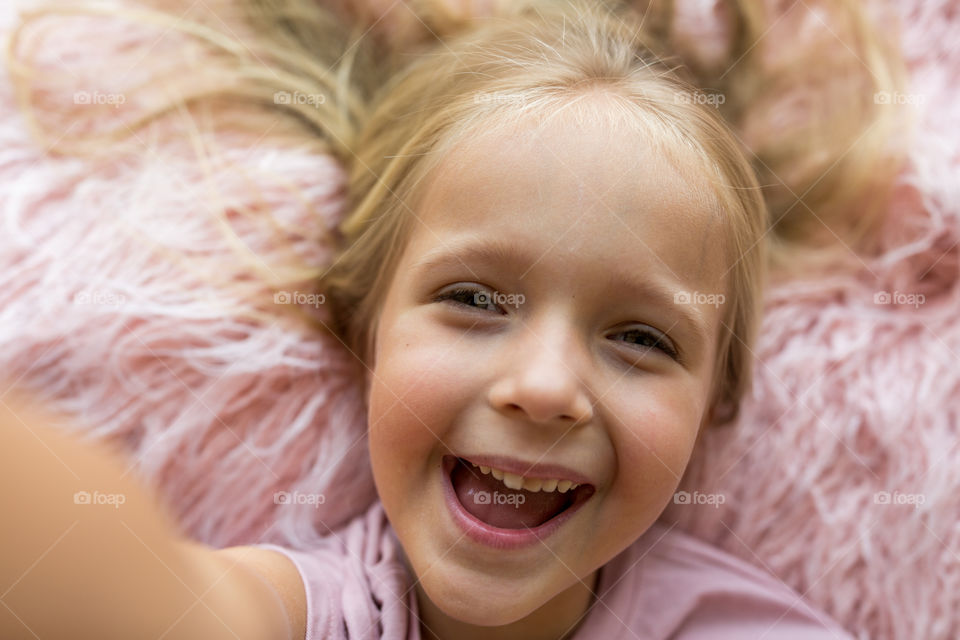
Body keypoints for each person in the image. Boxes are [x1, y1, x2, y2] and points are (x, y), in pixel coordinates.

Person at [1, 0, 902, 638]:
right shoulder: (318, 613)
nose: (546, 389)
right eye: (474, 301)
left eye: (640, 338)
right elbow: (131, 595)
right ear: (366, 333)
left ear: (716, 405)